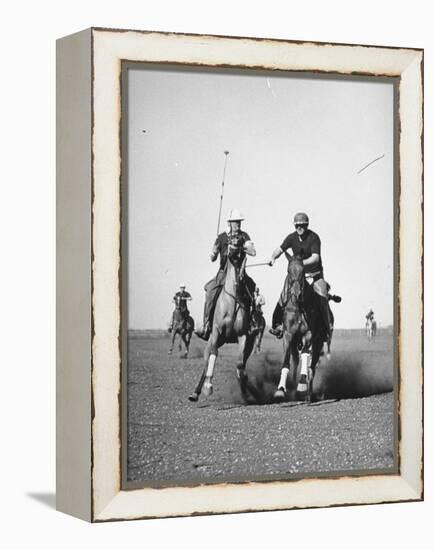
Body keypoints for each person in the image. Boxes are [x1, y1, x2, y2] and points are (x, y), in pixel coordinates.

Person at [268, 212, 341, 339]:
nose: (299, 228)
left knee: (322, 297)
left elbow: (316, 258)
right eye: (297, 226)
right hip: (298, 276)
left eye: (302, 225)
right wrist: (273, 258)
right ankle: (277, 325)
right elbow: (280, 249)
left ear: (306, 225)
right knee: (283, 296)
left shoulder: (314, 238)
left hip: (315, 275)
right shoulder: (291, 237)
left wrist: (300, 263)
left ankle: (326, 327)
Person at [195, 209, 257, 340]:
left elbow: (253, 251)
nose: (238, 224)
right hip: (223, 273)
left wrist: (239, 246)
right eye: (235, 222)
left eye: (239, 222)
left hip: (241, 273)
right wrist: (214, 251)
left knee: (252, 290)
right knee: (210, 291)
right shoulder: (222, 237)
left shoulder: (244, 236)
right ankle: (206, 325)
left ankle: (251, 323)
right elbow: (212, 257)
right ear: (230, 222)